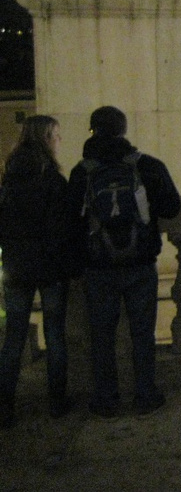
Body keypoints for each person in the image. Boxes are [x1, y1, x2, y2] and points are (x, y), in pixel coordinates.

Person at [68, 106, 181, 417]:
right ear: (123, 130)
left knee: (102, 336)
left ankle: (106, 399)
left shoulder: (83, 172)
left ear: (92, 131)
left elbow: (70, 222)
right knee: (142, 333)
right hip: (140, 263)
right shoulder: (146, 165)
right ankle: (145, 395)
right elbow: (173, 207)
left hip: (98, 266)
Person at [0, 116, 72, 428]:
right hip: (50, 268)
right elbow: (65, 228)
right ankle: (56, 402)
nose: (59, 141)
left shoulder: (9, 179)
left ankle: (5, 408)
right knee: (55, 334)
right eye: (56, 135)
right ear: (46, 138)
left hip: (16, 267)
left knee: (13, 339)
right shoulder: (53, 181)